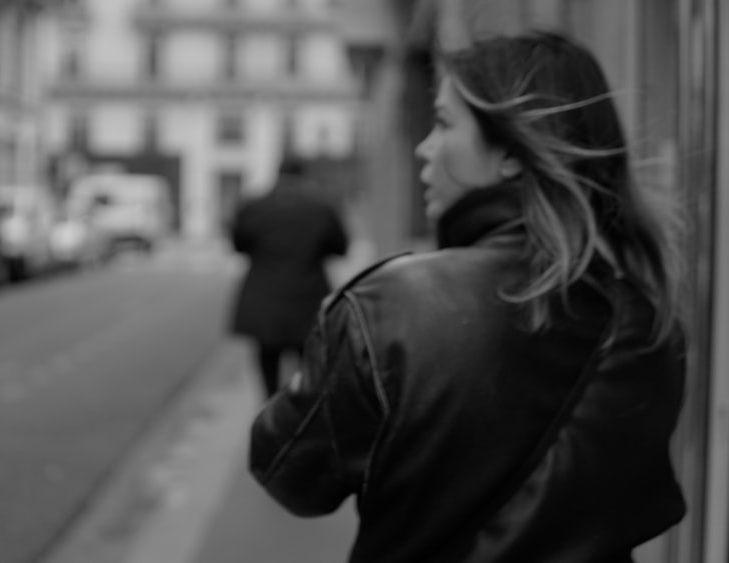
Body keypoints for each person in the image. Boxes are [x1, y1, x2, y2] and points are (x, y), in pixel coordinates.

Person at [249, 31, 686, 562]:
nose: (423, 147)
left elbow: (289, 475)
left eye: (444, 123)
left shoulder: (391, 306)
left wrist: (332, 346)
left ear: (510, 155)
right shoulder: (650, 321)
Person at [229, 156, 349, 399]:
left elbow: (239, 245)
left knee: (267, 360)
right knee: (308, 366)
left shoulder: (254, 206)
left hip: (264, 297)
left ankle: (269, 412)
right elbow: (340, 247)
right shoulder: (321, 208)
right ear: (303, 175)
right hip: (307, 296)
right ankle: (299, 416)